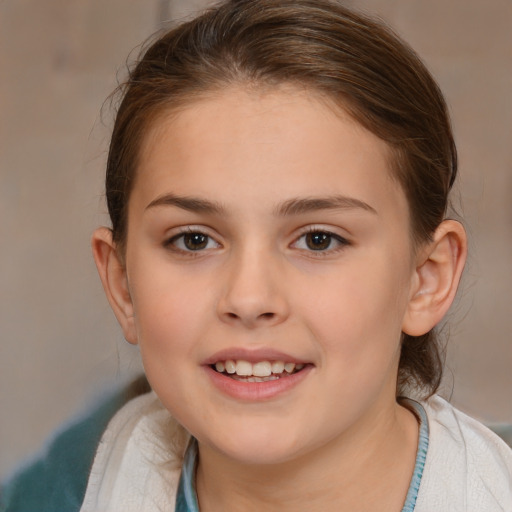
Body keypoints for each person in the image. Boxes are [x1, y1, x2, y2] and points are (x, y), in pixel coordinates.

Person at [2, 0, 511, 510]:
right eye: (194, 240)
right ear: (122, 284)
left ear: (426, 279)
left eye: (318, 239)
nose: (249, 298)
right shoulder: (61, 490)